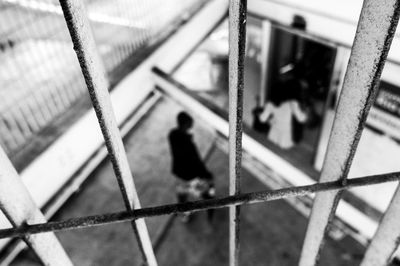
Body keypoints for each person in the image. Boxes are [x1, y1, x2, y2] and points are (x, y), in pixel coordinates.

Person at [168, 111, 215, 222]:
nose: (192, 124)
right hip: (190, 175)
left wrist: (188, 137)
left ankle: (183, 214)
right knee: (206, 192)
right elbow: (195, 161)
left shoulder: (173, 134)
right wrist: (206, 174)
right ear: (186, 124)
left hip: (178, 172)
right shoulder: (188, 143)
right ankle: (210, 210)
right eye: (190, 122)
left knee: (182, 194)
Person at [259, 79, 308, 149]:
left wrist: (270, 120)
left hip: (273, 134)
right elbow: (301, 119)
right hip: (286, 137)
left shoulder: (270, 104)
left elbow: (262, 119)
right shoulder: (292, 103)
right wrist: (305, 113)